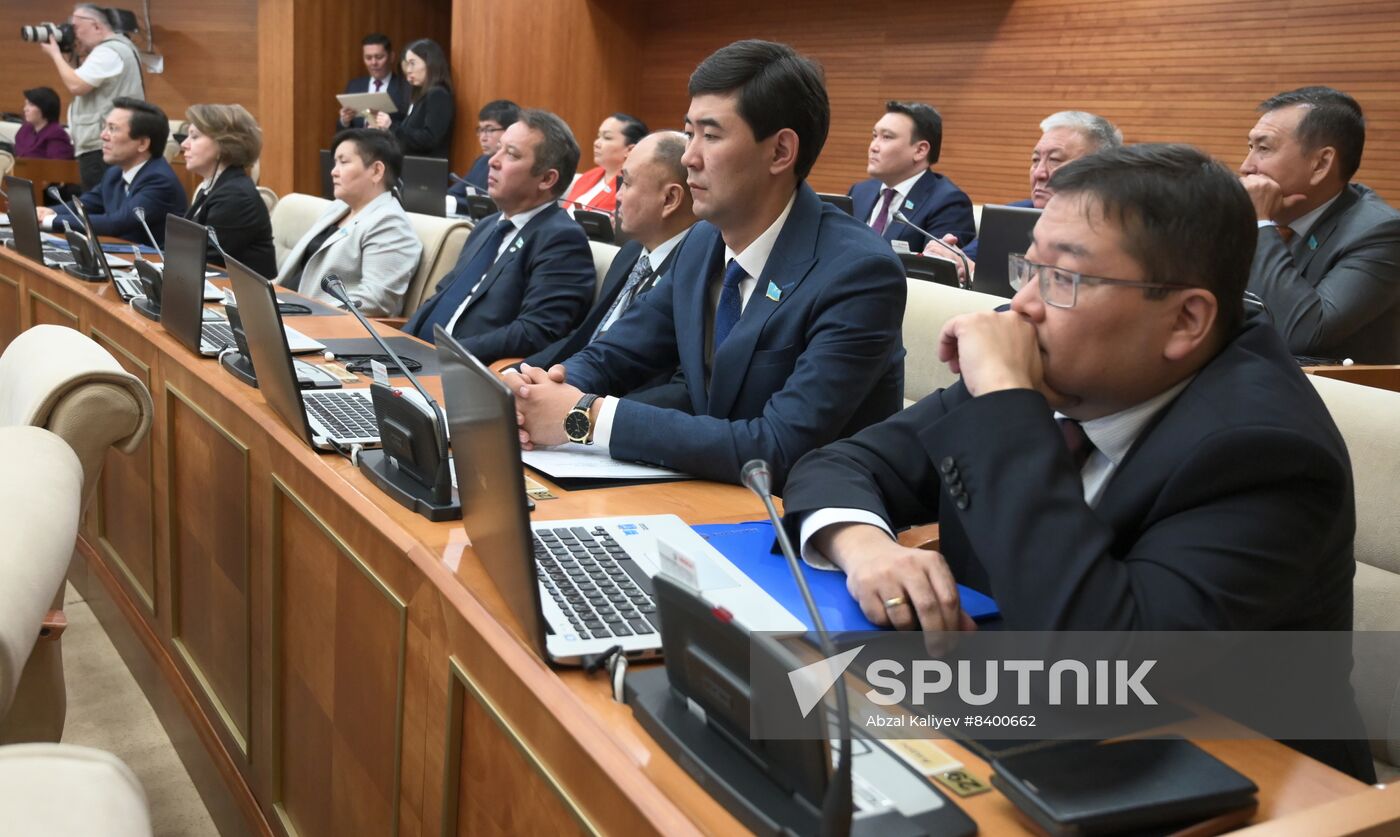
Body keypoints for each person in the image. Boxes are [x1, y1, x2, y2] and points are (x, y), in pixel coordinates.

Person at [779, 143, 1372, 780]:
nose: (1022, 307)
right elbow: (843, 463)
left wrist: (1007, 403)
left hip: (1230, 782)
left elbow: (1106, 661)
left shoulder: (1263, 450)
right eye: (1027, 270)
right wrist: (864, 545)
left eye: (1064, 279)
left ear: (1186, 319)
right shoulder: (1062, 365)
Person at [506, 40, 906, 490]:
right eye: (688, 132)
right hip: (704, 493)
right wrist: (538, 390)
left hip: (801, 525)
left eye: (710, 136)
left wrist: (587, 417)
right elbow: (620, 351)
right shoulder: (701, 241)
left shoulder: (859, 273)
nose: (687, 157)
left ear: (780, 152)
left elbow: (778, 447)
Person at [404, 109, 594, 363]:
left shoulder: (561, 239)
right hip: (415, 361)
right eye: (499, 148)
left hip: (464, 373)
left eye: (511, 154)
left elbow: (535, 332)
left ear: (547, 179)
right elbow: (441, 297)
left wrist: (449, 354)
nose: (493, 160)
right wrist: (399, 346)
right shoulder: (488, 226)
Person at [1240, 86, 1400, 363]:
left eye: (1263, 148)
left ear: (1321, 164)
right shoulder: (1259, 216)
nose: (1246, 166)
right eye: (1250, 147)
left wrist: (1260, 223)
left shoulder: (1380, 232)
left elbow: (1303, 334)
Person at [523, 130, 697, 370]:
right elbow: (585, 337)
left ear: (669, 199)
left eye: (626, 182)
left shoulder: (694, 275)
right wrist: (521, 372)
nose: (618, 195)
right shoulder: (630, 253)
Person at [927, 110, 1120, 275]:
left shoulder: (1118, 229)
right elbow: (965, 262)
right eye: (1035, 160)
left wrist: (973, 271)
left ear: (1099, 171)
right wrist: (947, 257)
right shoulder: (1012, 215)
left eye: (1055, 160)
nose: (1039, 173)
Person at [276, 129, 421, 316]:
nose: (334, 172)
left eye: (343, 162)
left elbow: (375, 301)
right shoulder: (338, 208)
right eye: (335, 163)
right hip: (285, 309)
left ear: (377, 171)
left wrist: (305, 313)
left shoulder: (390, 223)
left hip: (318, 326)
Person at [39, 97, 186, 247]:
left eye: (113, 128)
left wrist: (50, 221)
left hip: (153, 265)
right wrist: (47, 211)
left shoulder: (159, 180)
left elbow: (116, 223)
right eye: (105, 127)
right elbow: (84, 205)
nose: (103, 135)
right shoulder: (115, 173)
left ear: (142, 143)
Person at [38, 4, 144, 190]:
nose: (73, 33)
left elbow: (77, 85)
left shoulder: (108, 51)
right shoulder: (120, 47)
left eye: (76, 27)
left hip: (102, 145)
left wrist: (55, 54)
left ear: (96, 26)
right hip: (110, 142)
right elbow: (82, 79)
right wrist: (70, 54)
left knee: (97, 206)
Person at [849, 101, 974, 253]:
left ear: (920, 150)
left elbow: (935, 270)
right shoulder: (859, 192)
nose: (873, 147)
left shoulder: (948, 203)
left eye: (887, 137)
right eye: (874, 136)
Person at [180, 104, 276, 278]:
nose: (184, 144)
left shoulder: (236, 196)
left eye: (194, 137)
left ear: (223, 144)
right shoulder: (214, 186)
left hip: (239, 298)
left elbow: (206, 258)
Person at [373, 38, 454, 160]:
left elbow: (429, 139)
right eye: (407, 64)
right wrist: (386, 129)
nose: (408, 70)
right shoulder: (422, 95)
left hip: (425, 171)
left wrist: (391, 126)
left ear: (429, 62)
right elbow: (409, 134)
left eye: (412, 63)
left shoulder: (438, 94)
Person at [559, 113, 647, 215]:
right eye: (599, 136)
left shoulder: (631, 188)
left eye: (607, 137)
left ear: (630, 149)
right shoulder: (588, 176)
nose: (596, 143)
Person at [447, 99, 520, 214]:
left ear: (510, 130)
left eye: (489, 130)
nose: (482, 137)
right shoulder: (482, 161)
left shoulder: (517, 167)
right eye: (481, 130)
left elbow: (495, 206)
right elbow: (454, 193)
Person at [337, 33, 411, 132]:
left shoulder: (406, 87)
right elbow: (343, 130)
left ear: (391, 57)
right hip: (359, 143)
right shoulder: (354, 86)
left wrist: (389, 125)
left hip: (390, 144)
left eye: (379, 57)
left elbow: (410, 126)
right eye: (368, 58)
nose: (373, 63)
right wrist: (344, 121)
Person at [14, 87, 75, 159]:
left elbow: (57, 166)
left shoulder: (56, 134)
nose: (25, 109)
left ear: (45, 107)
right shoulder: (25, 129)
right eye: (26, 104)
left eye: (31, 105)